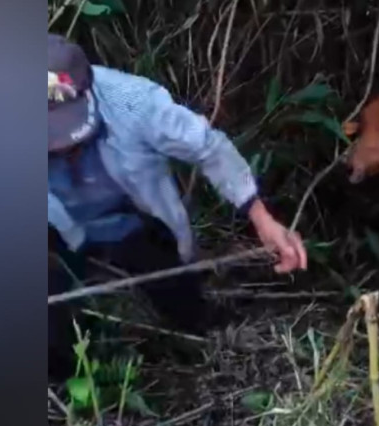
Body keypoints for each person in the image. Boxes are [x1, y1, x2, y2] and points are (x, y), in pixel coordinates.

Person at [47, 33, 306, 380]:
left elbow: (208, 148)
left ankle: (201, 346)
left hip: (133, 222)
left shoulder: (133, 102)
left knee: (181, 303)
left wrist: (262, 219)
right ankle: (68, 386)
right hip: (57, 229)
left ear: (87, 91)